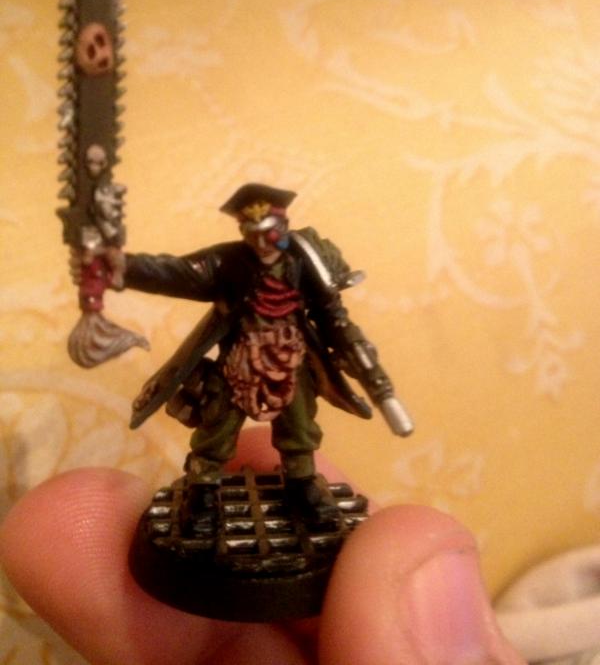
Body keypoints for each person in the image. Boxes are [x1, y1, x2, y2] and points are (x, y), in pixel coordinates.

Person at [0, 427, 525, 665]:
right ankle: (203, 497)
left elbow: (332, 321)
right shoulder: (234, 273)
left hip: (288, 382)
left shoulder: (308, 270)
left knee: (295, 445)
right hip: (230, 382)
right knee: (216, 447)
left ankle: (304, 495)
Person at [120, 182, 406, 524]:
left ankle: (301, 483)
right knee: (217, 426)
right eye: (251, 232)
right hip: (240, 359)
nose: (261, 242)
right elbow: (175, 272)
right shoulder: (228, 262)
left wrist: (355, 350)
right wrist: (119, 265)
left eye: (268, 232)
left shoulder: (308, 260)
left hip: (291, 357)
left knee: (300, 427)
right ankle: (203, 487)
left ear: (282, 226)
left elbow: (332, 314)